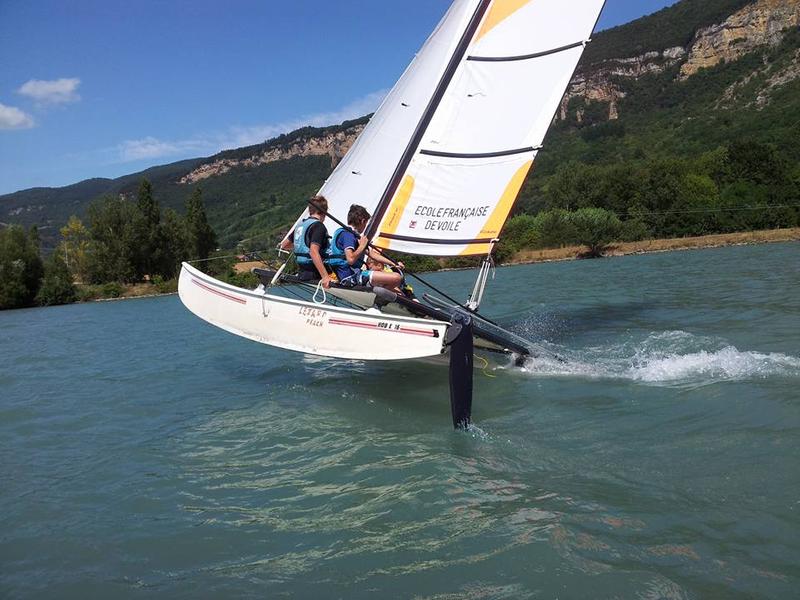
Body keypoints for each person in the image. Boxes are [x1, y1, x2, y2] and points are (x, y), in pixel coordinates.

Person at [328, 204, 405, 291]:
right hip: (350, 277)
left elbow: (372, 254)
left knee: (396, 288)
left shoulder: (349, 235)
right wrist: (362, 246)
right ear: (363, 221)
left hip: (351, 274)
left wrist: (394, 263)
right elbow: (350, 259)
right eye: (366, 224)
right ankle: (378, 300)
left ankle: (381, 294)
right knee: (397, 278)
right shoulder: (348, 235)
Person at [280, 196, 332, 288]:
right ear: (324, 212)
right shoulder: (319, 226)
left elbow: (284, 245)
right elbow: (313, 252)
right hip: (315, 274)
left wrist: (300, 246)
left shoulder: (300, 225)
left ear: (310, 210)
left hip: (303, 272)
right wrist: (325, 277)